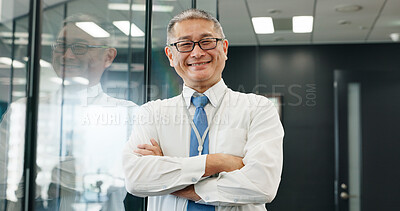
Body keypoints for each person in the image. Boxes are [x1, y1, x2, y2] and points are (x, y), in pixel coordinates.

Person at [123, 9, 284, 211]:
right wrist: (219, 162)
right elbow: (136, 180)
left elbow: (263, 186)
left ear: (224, 48)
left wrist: (167, 175)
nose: (197, 52)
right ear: (171, 55)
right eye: (185, 44)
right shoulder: (152, 113)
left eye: (207, 41)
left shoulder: (258, 109)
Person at [0, 14, 137, 210]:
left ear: (108, 56)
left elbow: (107, 178)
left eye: (79, 47)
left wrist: (36, 170)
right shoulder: (22, 110)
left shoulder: (127, 114)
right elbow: (4, 178)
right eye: (61, 46)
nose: (67, 56)